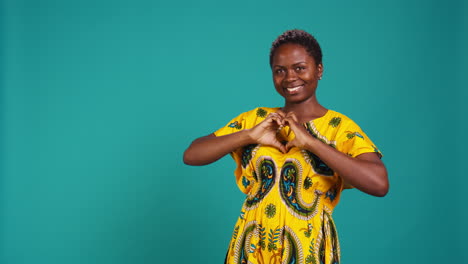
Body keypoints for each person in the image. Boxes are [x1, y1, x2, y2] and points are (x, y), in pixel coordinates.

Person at [183, 29, 389, 264]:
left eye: (299, 67)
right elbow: (192, 154)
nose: (290, 77)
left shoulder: (339, 127)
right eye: (280, 71)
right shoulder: (258, 120)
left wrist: (310, 142)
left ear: (319, 70)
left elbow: (379, 183)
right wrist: (249, 135)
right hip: (252, 244)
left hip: (307, 247)